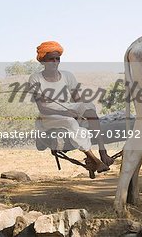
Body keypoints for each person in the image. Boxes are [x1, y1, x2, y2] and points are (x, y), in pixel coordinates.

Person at [28, 41, 114, 173]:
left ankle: (103, 152)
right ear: (43, 61)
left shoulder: (67, 75)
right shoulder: (35, 78)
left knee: (88, 107)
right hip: (48, 115)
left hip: (68, 107)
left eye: (57, 59)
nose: (55, 62)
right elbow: (42, 108)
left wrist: (80, 112)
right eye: (51, 59)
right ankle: (95, 160)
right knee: (70, 122)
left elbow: (77, 99)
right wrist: (67, 114)